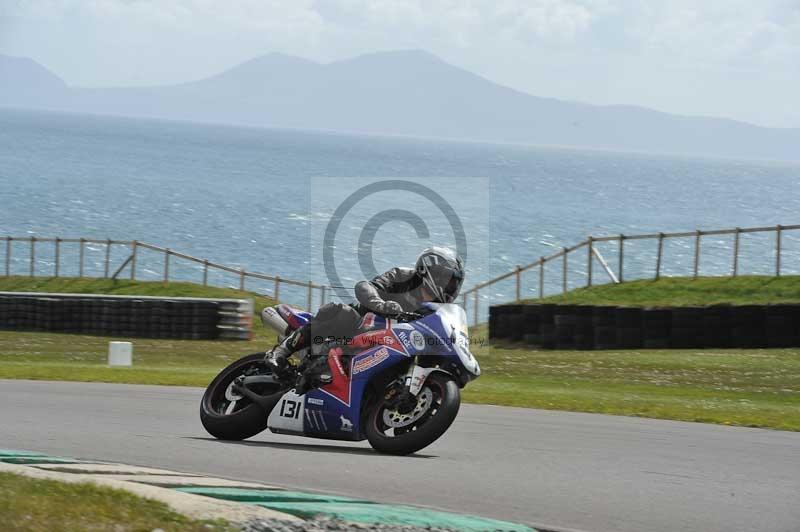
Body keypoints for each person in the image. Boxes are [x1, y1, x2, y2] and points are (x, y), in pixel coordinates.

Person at [264, 246, 465, 392]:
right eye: (449, 281)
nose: (451, 288)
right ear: (431, 272)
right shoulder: (403, 277)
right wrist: (381, 305)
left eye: (455, 284)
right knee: (338, 310)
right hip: (360, 325)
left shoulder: (436, 310)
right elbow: (365, 287)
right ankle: (281, 353)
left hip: (391, 343)